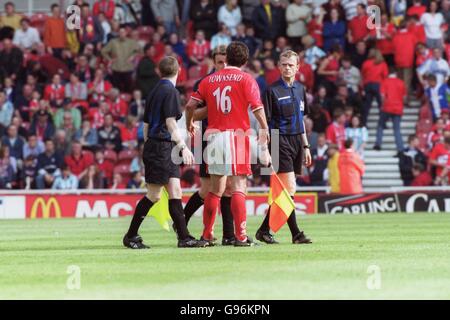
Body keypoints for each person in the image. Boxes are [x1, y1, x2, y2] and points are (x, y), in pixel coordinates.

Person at [185, 42, 271, 246]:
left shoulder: (209, 80)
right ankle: (240, 237)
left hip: (213, 136)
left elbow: (190, 105)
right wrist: (265, 128)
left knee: (215, 189)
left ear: (228, 58)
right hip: (237, 136)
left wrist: (189, 123)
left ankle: (206, 235)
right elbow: (257, 107)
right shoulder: (246, 79)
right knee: (239, 186)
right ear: (245, 61)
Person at [123, 56, 206, 249]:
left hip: (159, 146)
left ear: (159, 72)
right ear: (179, 71)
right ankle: (131, 235)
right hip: (161, 146)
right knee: (154, 195)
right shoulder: (171, 92)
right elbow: (170, 122)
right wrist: (183, 147)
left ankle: (184, 237)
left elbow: (145, 125)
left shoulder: (153, 92)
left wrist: (149, 145)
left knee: (175, 191)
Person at [254, 50, 312, 245]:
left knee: (286, 191)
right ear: (279, 66)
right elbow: (264, 123)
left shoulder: (300, 89)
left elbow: (301, 120)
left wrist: (306, 145)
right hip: (278, 140)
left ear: (297, 67)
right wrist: (263, 149)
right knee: (289, 188)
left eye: (291, 64)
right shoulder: (271, 91)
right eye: (284, 64)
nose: (287, 67)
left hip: (296, 140)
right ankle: (296, 234)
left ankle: (263, 230)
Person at [182, 45, 236, 246]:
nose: (223, 65)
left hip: (230, 137)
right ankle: (182, 224)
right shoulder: (204, 83)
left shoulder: (234, 80)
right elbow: (192, 111)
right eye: (220, 61)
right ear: (213, 62)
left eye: (226, 62)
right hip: (209, 140)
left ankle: (228, 235)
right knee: (208, 190)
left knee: (227, 186)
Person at [374, 67, 407, 154]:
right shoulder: (401, 82)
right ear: (396, 74)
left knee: (380, 125)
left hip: (387, 107)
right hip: (398, 108)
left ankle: (378, 144)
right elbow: (404, 97)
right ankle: (400, 148)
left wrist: (382, 106)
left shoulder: (385, 82)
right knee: (397, 129)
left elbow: (382, 96)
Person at [101, 27, 141, 93]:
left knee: (128, 89)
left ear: (126, 33)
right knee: (116, 89)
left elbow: (140, 51)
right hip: (116, 68)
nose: (121, 34)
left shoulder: (131, 42)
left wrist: (133, 56)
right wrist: (110, 59)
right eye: (120, 32)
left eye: (123, 32)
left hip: (128, 68)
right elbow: (103, 51)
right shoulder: (113, 42)